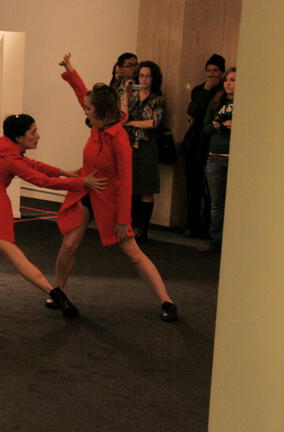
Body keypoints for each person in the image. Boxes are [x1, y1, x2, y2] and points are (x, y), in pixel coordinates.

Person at [0, 113, 107, 318]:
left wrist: (65, 172)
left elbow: (33, 166)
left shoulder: (3, 147)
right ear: (19, 138)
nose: (38, 136)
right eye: (33, 132)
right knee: (14, 255)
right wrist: (81, 183)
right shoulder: (10, 157)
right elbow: (42, 181)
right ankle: (56, 295)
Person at [54, 53, 177, 321]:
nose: (84, 109)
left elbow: (126, 181)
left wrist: (123, 219)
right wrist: (70, 70)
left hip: (109, 199)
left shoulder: (118, 137)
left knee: (132, 253)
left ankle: (166, 301)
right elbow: (82, 94)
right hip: (85, 192)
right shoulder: (97, 125)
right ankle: (57, 291)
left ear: (98, 111)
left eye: (88, 108)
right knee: (69, 245)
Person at [122, 60, 166, 244]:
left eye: (148, 75)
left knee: (146, 189)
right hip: (129, 145)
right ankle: (130, 225)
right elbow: (122, 115)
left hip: (146, 145)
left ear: (153, 78)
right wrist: (125, 93)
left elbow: (154, 122)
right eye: (141, 75)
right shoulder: (132, 97)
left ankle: (144, 228)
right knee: (130, 186)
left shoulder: (158, 99)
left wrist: (132, 123)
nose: (144, 78)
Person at [183, 54, 225, 238]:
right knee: (193, 184)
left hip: (213, 140)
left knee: (211, 188)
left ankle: (210, 226)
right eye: (208, 70)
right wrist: (207, 89)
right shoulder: (200, 90)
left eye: (215, 70)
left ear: (221, 72)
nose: (211, 74)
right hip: (196, 142)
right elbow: (192, 112)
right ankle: (192, 224)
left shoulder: (224, 92)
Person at [200, 67, 235, 253]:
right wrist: (214, 125)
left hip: (235, 157)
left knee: (234, 203)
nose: (229, 83)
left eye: (233, 80)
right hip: (215, 156)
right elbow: (205, 129)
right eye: (227, 80)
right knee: (216, 203)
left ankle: (232, 242)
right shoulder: (216, 102)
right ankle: (215, 241)